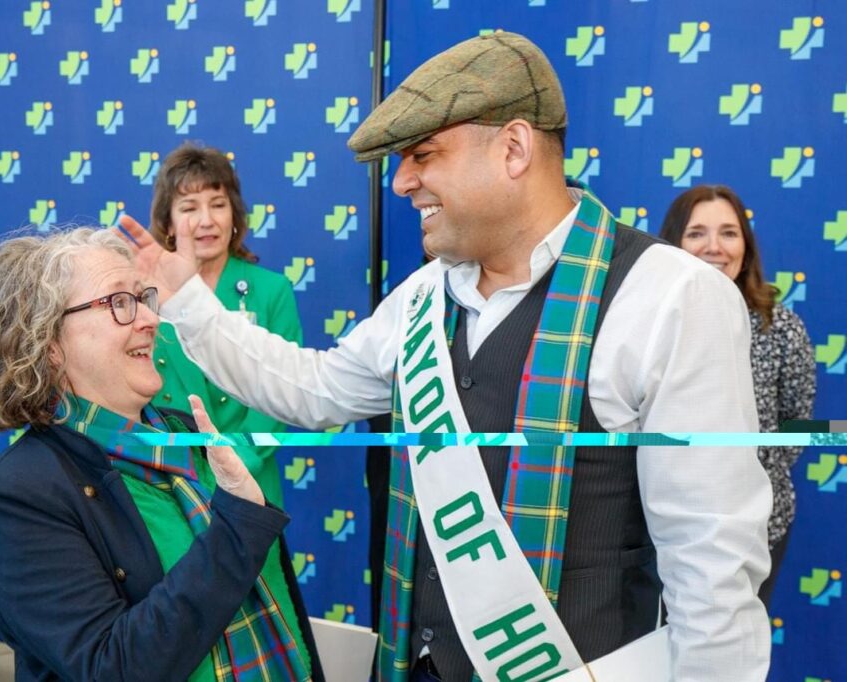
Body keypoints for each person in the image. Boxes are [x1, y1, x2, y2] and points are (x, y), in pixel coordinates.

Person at [120, 32, 773, 682]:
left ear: (513, 149)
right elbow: (314, 390)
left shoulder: (671, 296)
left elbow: (711, 567)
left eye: (424, 155)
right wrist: (188, 301)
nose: (403, 182)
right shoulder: (425, 294)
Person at [0, 228, 322, 681]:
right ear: (50, 345)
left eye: (143, 298)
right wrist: (238, 528)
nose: (151, 319)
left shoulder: (185, 434)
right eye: (119, 303)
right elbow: (111, 667)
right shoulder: (19, 493)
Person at [660, 184, 816, 607]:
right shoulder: (650, 324)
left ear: (745, 247)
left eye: (728, 233)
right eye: (696, 233)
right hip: (661, 525)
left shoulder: (781, 327)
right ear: (672, 244)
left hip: (758, 526)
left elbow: (797, 422)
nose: (714, 246)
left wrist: (753, 475)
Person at [148, 143, 303, 505]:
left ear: (234, 214)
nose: (206, 220)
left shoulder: (272, 290)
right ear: (168, 223)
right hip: (167, 483)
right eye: (189, 208)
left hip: (250, 480)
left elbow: (281, 391)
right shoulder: (146, 293)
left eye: (218, 204)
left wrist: (234, 463)